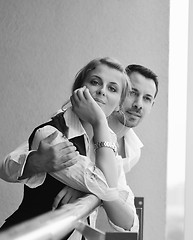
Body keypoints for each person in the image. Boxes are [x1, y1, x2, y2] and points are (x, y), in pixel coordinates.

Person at [0, 57, 139, 239]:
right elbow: (108, 190)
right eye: (95, 82)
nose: (101, 91)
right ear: (79, 89)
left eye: (112, 88)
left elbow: (128, 222)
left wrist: (88, 192)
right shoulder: (50, 133)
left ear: (119, 105)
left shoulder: (109, 145)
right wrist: (100, 197)